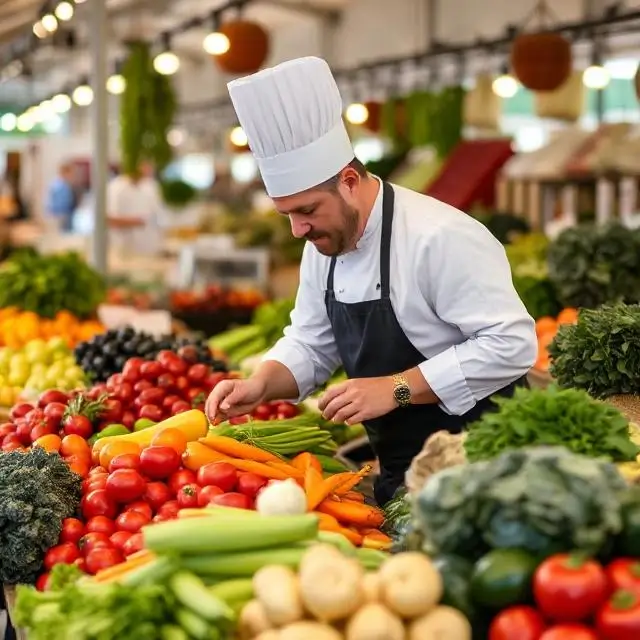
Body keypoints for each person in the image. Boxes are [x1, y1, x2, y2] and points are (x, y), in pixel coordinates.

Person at [205, 57, 537, 506]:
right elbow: (310, 342)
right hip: (401, 474)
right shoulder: (322, 247)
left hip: (483, 469)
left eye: (306, 211)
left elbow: (511, 343)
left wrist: (396, 387)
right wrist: (261, 383)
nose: (296, 231)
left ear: (347, 181)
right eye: (287, 215)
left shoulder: (439, 237)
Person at [106, 161, 164, 256]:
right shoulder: (115, 188)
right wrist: (138, 221)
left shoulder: (151, 186)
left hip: (150, 251)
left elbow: (158, 216)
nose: (147, 168)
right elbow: (109, 220)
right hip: (124, 251)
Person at [46, 162, 77, 232]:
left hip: (62, 215)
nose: (72, 176)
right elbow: (59, 203)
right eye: (70, 173)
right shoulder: (60, 186)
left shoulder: (61, 184)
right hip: (61, 215)